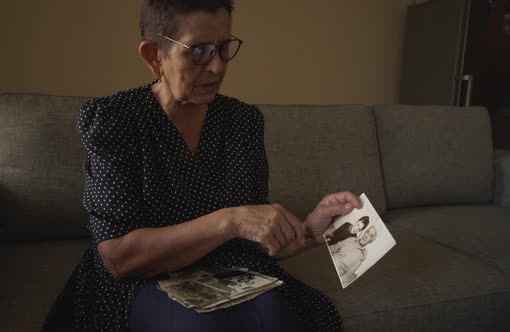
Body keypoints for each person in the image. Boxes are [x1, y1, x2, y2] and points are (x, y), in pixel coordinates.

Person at [42, 1, 362, 331]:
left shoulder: (242, 122)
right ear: (155, 56)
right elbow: (118, 258)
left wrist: (310, 231)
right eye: (198, 51)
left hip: (229, 269)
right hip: (140, 282)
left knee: (278, 313)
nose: (217, 67)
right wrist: (229, 221)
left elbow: (254, 239)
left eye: (224, 48)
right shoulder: (115, 120)